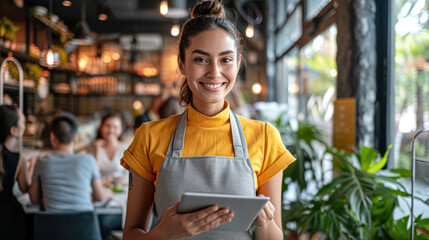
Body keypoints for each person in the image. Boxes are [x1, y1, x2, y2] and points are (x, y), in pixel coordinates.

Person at [121, 1, 295, 239]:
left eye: (225, 60)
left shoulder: (265, 137)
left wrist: (265, 224)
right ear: (182, 63)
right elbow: (131, 234)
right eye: (200, 60)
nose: (214, 72)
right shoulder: (149, 136)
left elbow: (275, 234)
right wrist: (164, 232)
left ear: (238, 62)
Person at [29, 112, 105, 211]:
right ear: (76, 137)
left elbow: (34, 199)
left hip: (50, 225)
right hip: (85, 224)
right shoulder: (89, 160)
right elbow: (100, 198)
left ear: (52, 137)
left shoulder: (42, 162)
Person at [0, 105, 31, 240]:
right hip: (8, 217)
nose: (25, 126)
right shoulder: (19, 158)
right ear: (14, 130)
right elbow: (25, 189)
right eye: (23, 122)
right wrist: (34, 166)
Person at [93, 112, 128, 185]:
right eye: (107, 126)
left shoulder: (126, 148)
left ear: (121, 130)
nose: (111, 130)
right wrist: (96, 149)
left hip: (121, 190)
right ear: (101, 127)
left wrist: (116, 181)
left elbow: (131, 178)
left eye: (115, 127)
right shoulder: (94, 148)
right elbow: (93, 174)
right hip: (100, 191)